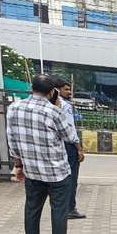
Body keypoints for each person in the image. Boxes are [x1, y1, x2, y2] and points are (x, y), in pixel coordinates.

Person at [6, 74, 85, 234]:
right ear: (52, 92)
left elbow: (12, 140)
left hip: (32, 170)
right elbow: (68, 135)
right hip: (56, 171)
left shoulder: (14, 108)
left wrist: (18, 165)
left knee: (31, 209)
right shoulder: (53, 111)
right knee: (59, 210)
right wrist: (57, 107)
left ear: (32, 88)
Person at [52, 76, 86, 219]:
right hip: (68, 145)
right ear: (56, 90)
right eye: (66, 89)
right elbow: (69, 129)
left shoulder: (47, 106)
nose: (69, 92)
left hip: (55, 145)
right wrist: (79, 148)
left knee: (59, 179)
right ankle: (70, 209)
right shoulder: (64, 105)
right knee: (71, 178)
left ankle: (60, 208)